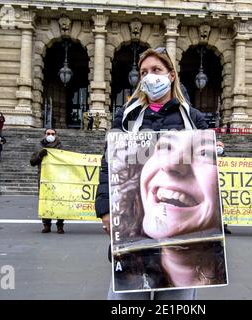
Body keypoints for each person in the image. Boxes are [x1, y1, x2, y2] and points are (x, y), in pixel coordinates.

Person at [95, 47, 209, 300]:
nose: (149, 77)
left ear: (171, 75)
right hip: (133, 232)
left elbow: (207, 174)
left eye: (156, 70)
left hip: (182, 238)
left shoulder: (194, 118)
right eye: (143, 72)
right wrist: (104, 209)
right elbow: (108, 165)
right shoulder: (125, 118)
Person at [111, 131, 226, 292]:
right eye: (166, 146)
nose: (172, 164)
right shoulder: (128, 115)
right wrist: (104, 208)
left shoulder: (191, 116)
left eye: (203, 153)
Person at [30, 128, 65, 234]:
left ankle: (60, 225)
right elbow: (32, 162)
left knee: (60, 201)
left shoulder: (60, 146)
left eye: (52, 134)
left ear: (56, 135)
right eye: (48, 133)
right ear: (44, 135)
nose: (50, 135)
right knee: (45, 201)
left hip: (57, 178)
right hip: (44, 178)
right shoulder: (39, 146)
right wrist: (40, 155)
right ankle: (46, 225)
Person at [216, 140, 231, 235]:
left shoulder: (228, 159)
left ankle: (224, 225)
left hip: (225, 186)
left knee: (224, 206)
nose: (218, 147)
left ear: (223, 147)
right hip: (213, 185)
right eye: (216, 145)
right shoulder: (209, 158)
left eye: (220, 145)